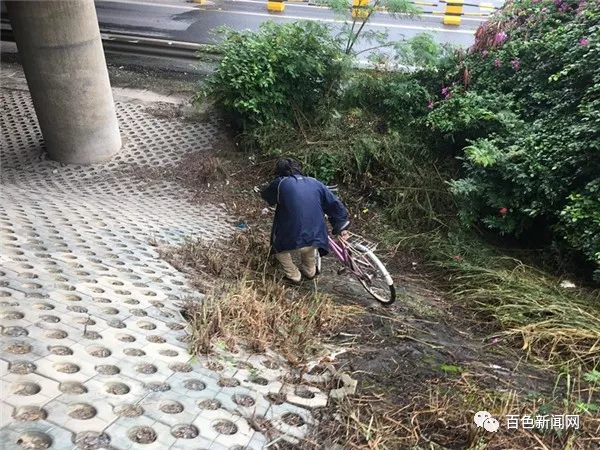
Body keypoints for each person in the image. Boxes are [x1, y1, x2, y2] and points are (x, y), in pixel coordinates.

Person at [261, 157, 350, 284]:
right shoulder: (315, 182)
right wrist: (341, 224)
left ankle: (293, 274)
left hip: (292, 241)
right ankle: (310, 271)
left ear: (279, 171)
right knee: (310, 241)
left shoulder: (280, 183)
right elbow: (334, 204)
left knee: (277, 248)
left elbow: (267, 196)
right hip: (318, 238)